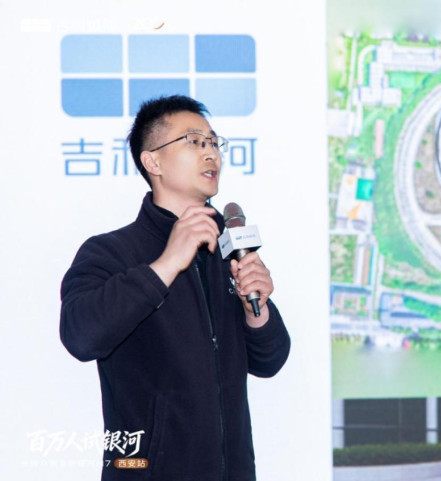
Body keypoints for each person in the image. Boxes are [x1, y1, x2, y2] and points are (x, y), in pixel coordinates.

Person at [59, 95, 290, 481]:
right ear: (153, 162)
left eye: (214, 142)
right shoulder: (110, 252)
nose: (211, 153)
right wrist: (167, 264)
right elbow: (81, 336)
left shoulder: (227, 250)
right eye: (194, 141)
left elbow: (270, 360)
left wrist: (258, 309)